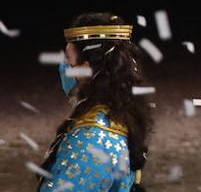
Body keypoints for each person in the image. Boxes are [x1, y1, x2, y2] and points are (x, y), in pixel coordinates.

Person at [39, 14, 151, 192]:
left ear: (86, 69)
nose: (64, 66)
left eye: (68, 59)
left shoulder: (89, 141)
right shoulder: (121, 115)